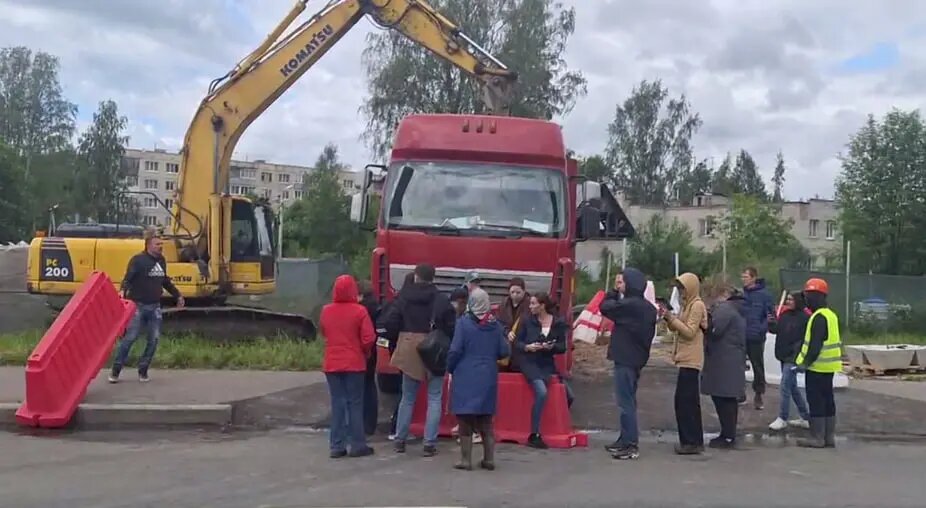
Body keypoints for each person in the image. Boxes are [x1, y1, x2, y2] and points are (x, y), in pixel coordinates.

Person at [387, 263, 456, 456]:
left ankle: (400, 440)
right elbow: (452, 326)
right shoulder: (441, 299)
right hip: (434, 348)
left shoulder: (404, 297)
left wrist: (398, 339)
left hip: (408, 345)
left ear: (416, 276)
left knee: (408, 397)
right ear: (433, 277)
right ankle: (429, 443)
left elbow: (391, 321)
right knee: (434, 397)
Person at [109, 230, 184, 383]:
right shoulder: (138, 260)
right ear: (148, 245)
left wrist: (177, 295)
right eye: (157, 244)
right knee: (130, 338)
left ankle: (143, 370)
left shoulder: (161, 260)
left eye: (161, 244)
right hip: (138, 305)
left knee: (154, 339)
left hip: (155, 305)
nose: (160, 246)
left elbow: (165, 280)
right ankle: (116, 370)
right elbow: (128, 278)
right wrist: (122, 290)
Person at [447, 288, 510, 471]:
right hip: (488, 375)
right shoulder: (495, 325)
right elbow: (504, 351)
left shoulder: (463, 323)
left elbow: (455, 350)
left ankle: (465, 460)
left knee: (465, 419)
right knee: (486, 420)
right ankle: (488, 459)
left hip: (465, 375)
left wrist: (450, 367)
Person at [599, 267, 658, 460]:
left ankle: (630, 444)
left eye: (622, 281)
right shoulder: (648, 308)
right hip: (637, 358)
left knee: (625, 403)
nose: (619, 285)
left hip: (625, 358)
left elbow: (605, 307)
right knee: (629, 400)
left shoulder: (629, 305)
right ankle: (624, 438)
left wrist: (613, 291)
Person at [319, 274, 376, 458]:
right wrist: (364, 352)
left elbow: (324, 332)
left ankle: (336, 445)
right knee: (355, 404)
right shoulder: (360, 311)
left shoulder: (326, 310)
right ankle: (357, 444)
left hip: (332, 363)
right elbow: (369, 338)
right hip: (354, 362)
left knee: (338, 403)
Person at [515, 292, 571, 449]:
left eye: (533, 304)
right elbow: (517, 342)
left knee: (569, 395)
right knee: (541, 392)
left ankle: (556, 425)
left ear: (542, 306)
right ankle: (534, 434)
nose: (530, 307)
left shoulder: (557, 322)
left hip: (546, 362)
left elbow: (562, 347)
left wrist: (550, 347)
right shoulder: (527, 321)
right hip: (529, 361)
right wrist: (527, 347)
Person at [662, 272, 707, 455]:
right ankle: (690, 440)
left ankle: (692, 442)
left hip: (691, 360)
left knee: (686, 403)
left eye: (682, 288)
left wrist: (673, 319)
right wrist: (669, 318)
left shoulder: (697, 305)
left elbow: (689, 332)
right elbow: (677, 327)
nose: (680, 291)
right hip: (684, 359)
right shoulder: (686, 305)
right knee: (685, 402)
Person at [795, 278, 842, 449]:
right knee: (828, 400)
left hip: (817, 367)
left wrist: (805, 363)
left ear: (818, 297)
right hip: (829, 367)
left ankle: (817, 437)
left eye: (809, 295)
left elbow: (815, 345)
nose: (807, 299)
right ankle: (829, 437)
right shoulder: (831, 315)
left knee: (816, 401)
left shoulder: (818, 317)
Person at [701, 284, 747, 449]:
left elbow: (714, 330)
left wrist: (704, 321)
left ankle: (727, 436)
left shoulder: (725, 310)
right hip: (732, 359)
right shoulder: (738, 309)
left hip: (722, 360)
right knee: (728, 399)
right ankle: (728, 434)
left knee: (723, 399)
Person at [376, 272, 416, 439]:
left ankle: (397, 428)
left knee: (403, 391)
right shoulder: (409, 303)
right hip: (406, 349)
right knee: (406, 393)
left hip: (396, 349)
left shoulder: (396, 301)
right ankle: (398, 429)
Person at [768, 292, 811, 431]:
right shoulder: (785, 315)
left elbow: (804, 339)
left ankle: (782, 418)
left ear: (798, 301)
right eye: (787, 299)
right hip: (783, 354)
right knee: (792, 387)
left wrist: (798, 356)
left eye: (791, 299)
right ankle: (805, 417)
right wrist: (771, 323)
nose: (788, 301)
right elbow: (777, 330)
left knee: (785, 387)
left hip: (793, 357)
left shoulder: (805, 318)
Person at [741, 267, 775, 410]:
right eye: (743, 277)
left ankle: (758, 394)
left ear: (754, 278)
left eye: (746, 277)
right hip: (741, 335)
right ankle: (740, 393)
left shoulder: (764, 295)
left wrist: (762, 328)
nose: (743, 279)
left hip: (756, 336)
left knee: (757, 366)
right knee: (738, 365)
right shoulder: (742, 294)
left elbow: (770, 316)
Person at [357, 280, 381, 436]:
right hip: (373, 351)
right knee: (370, 386)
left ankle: (361, 424)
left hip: (362, 351)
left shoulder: (361, 309)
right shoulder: (377, 305)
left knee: (360, 389)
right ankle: (370, 423)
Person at [497, 277, 531, 372]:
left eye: (518, 292)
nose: (515, 295)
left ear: (524, 291)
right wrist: (507, 331)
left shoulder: (530, 305)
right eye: (512, 292)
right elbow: (498, 322)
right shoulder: (504, 304)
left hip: (522, 346)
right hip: (506, 344)